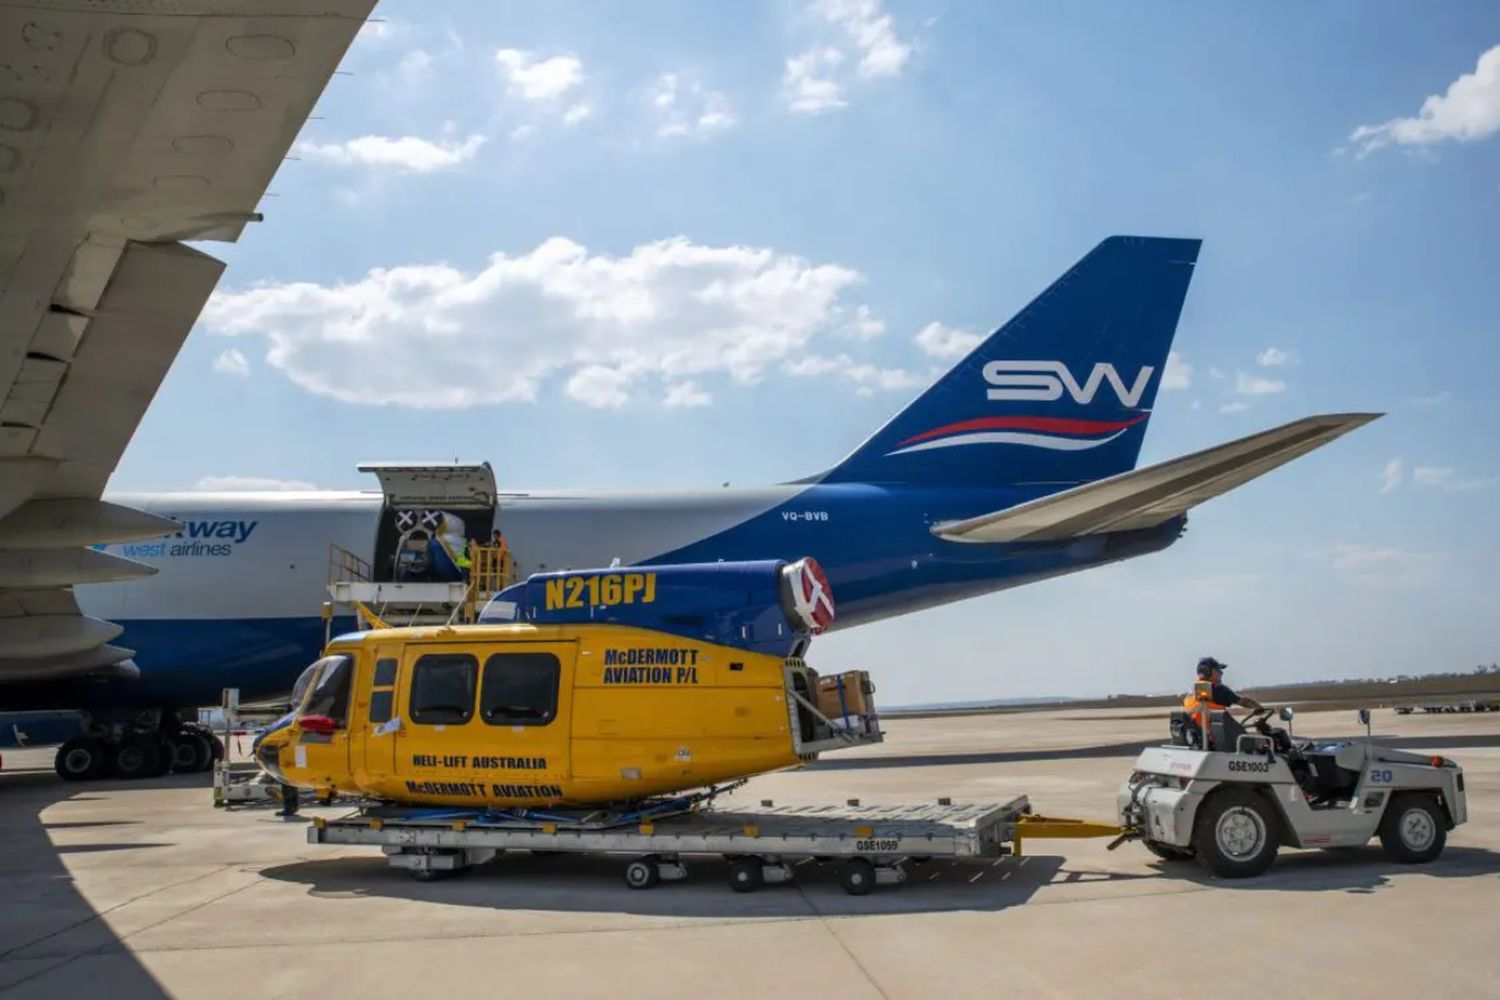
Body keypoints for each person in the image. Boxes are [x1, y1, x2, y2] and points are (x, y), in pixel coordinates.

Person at [1183, 656, 1264, 730]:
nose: (1222, 673)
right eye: (1218, 670)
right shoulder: (1215, 689)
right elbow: (1243, 701)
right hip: (1215, 740)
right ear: (1207, 671)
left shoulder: (1192, 691)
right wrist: (1258, 707)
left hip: (1200, 738)